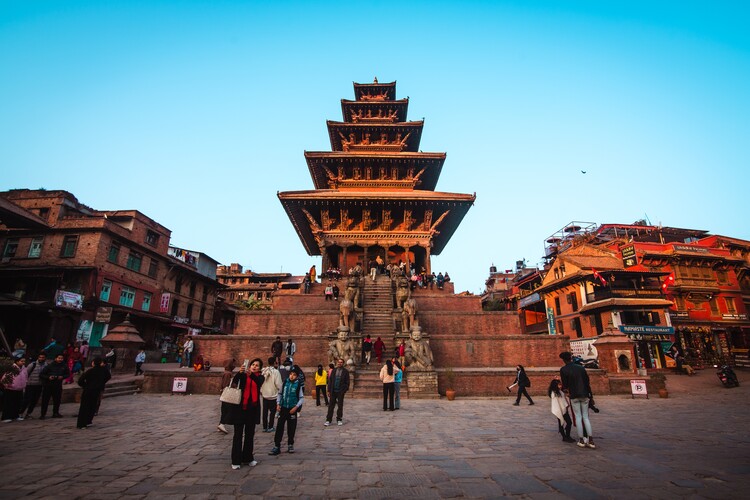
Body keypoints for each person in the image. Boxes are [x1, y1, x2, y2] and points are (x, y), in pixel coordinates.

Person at [226, 358, 265, 469]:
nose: (254, 366)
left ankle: (248, 458)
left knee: (249, 436)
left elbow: (258, 383)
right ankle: (236, 460)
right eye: (253, 364)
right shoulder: (243, 376)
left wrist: (250, 374)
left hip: (252, 410)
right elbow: (234, 381)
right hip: (240, 409)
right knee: (237, 435)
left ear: (260, 368)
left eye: (257, 365)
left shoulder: (260, 377)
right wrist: (240, 372)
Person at [559, 351, 595, 449]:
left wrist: (564, 390)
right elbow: (587, 383)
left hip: (574, 395)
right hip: (585, 394)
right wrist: (591, 396)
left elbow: (565, 385)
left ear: (563, 360)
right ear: (571, 358)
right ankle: (591, 440)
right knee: (586, 418)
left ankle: (581, 440)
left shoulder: (564, 369)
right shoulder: (581, 368)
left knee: (578, 417)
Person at [269, 366, 304, 455]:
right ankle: (277, 446)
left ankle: (290, 444)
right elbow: (280, 394)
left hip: (292, 409)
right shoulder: (285, 383)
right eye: (291, 374)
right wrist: (278, 404)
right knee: (279, 427)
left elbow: (301, 398)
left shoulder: (298, 385)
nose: (292, 376)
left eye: (294, 375)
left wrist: (296, 407)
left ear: (297, 376)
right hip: (283, 408)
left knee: (291, 428)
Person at [76, 357, 111, 429]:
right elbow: (108, 376)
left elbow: (80, 380)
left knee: (84, 407)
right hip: (97, 390)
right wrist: (101, 383)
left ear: (94, 363)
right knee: (92, 406)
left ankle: (82, 423)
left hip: (88, 390)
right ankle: (88, 421)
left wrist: (85, 385)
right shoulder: (104, 371)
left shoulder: (90, 371)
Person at [39, 353, 70, 419]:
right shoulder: (49, 366)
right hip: (48, 385)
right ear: (55, 358)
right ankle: (43, 414)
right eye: (59, 358)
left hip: (58, 385)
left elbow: (68, 374)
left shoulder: (64, 366)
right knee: (45, 400)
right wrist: (48, 377)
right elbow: (42, 374)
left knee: (57, 400)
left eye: (61, 358)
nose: (60, 359)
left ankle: (55, 413)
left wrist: (62, 377)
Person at [20, 352, 48, 419]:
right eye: (40, 357)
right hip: (30, 385)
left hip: (39, 385)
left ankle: (28, 413)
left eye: (43, 357)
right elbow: (26, 373)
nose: (41, 358)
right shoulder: (32, 365)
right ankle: (20, 412)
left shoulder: (46, 365)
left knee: (34, 400)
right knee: (27, 399)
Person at [1, 355, 28, 422]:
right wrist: (9, 386)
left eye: (24, 361)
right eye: (21, 361)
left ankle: (15, 416)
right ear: (17, 361)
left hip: (19, 389)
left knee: (18, 403)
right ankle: (6, 417)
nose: (23, 362)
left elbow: (26, 377)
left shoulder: (24, 368)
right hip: (10, 389)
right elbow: (4, 379)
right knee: (9, 404)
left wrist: (24, 384)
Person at [325, 358, 350, 426]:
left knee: (340, 406)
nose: (339, 363)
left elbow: (347, 382)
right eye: (339, 362)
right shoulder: (334, 370)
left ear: (343, 363)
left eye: (341, 362)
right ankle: (328, 419)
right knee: (331, 406)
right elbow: (330, 381)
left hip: (340, 391)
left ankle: (339, 419)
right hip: (333, 390)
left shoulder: (345, 372)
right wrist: (329, 390)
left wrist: (344, 390)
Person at [261, 357, 283, 433]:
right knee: (272, 412)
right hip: (273, 395)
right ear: (274, 363)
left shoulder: (263, 371)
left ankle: (264, 427)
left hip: (265, 395)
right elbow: (279, 384)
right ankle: (270, 426)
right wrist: (281, 392)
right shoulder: (276, 372)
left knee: (265, 412)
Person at [218, 358, 238, 434]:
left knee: (224, 410)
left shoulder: (227, 372)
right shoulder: (228, 374)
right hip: (227, 394)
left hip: (225, 394)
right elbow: (226, 385)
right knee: (229, 410)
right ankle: (222, 424)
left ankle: (220, 424)